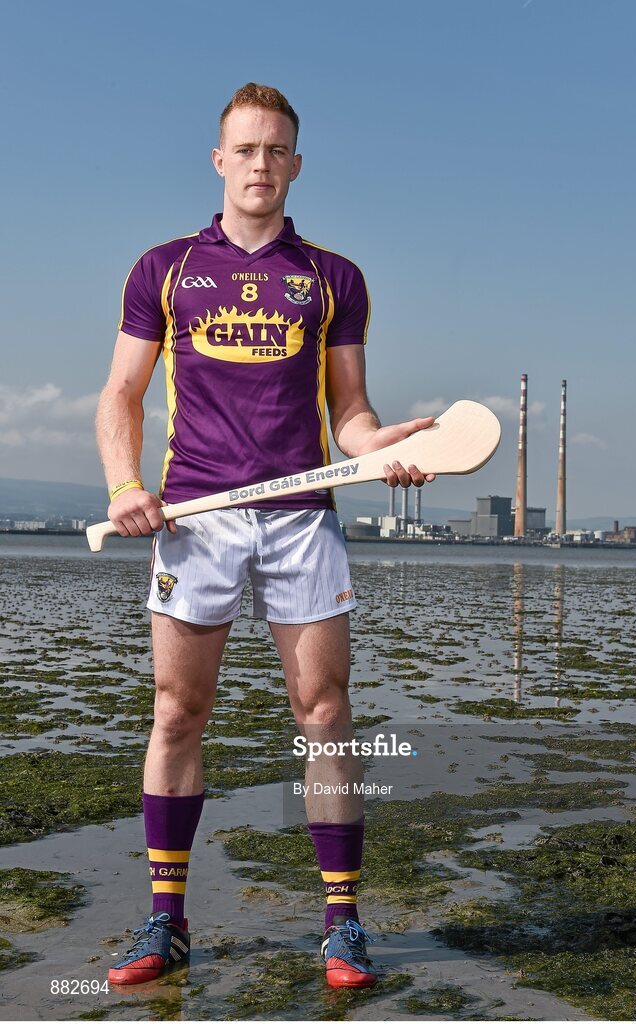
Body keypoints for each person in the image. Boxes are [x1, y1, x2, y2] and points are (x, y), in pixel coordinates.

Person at [95, 82, 435, 989]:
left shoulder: (333, 277)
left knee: (324, 714)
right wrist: (126, 485)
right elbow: (122, 394)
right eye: (245, 149)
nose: (259, 164)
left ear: (295, 162)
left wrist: (379, 452)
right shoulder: (163, 267)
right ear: (219, 160)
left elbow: (349, 413)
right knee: (179, 712)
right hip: (196, 518)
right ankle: (164, 922)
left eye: (275, 150)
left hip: (300, 520)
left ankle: (342, 925)